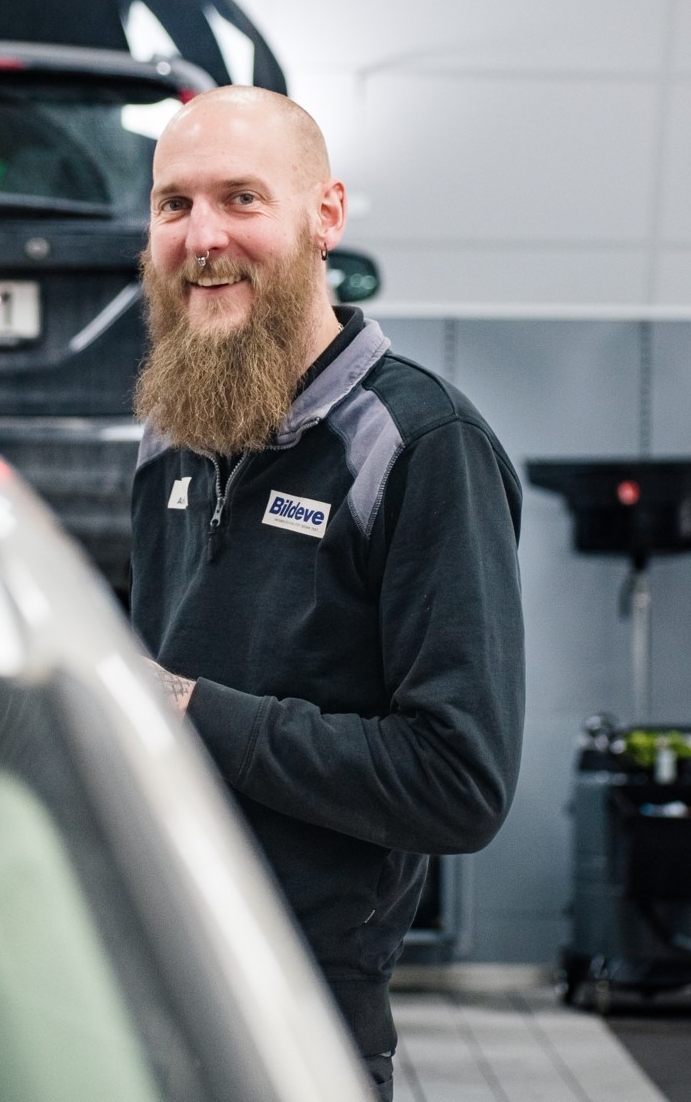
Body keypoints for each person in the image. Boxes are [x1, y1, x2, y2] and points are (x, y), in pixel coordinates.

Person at [130, 87, 524, 1100]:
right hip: (147, 992)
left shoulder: (419, 444)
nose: (202, 237)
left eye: (241, 198)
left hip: (303, 1027)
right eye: (174, 204)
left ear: (324, 214)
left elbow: (457, 780)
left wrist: (192, 710)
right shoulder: (170, 436)